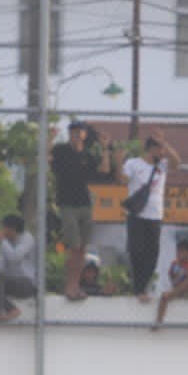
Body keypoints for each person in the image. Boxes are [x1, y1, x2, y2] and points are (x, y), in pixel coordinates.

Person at [55, 121, 117, 301]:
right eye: (73, 132)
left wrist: (105, 148)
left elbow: (104, 170)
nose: (76, 135)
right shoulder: (61, 151)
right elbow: (47, 161)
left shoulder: (88, 155)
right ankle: (70, 286)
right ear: (69, 134)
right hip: (67, 204)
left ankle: (76, 286)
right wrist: (49, 140)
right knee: (73, 246)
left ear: (83, 135)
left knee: (82, 249)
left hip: (85, 204)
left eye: (79, 132)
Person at [120, 131, 180, 302]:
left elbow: (178, 162)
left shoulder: (162, 165)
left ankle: (143, 288)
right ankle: (138, 289)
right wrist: (118, 161)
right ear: (151, 149)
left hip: (156, 215)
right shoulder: (134, 163)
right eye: (159, 148)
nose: (162, 152)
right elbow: (122, 180)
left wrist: (166, 144)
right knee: (136, 251)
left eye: (163, 149)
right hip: (137, 214)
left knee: (152, 253)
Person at [0, 214, 37, 324]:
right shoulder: (7, 241)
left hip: (26, 283)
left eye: (4, 228)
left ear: (12, 229)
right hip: (9, 281)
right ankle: (12, 309)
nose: (2, 230)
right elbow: (1, 263)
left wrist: (3, 241)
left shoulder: (27, 239)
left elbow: (14, 258)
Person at [153, 238, 188, 329]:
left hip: (187, 292)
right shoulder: (174, 263)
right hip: (177, 289)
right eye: (178, 251)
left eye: (182, 252)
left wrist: (185, 274)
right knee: (164, 297)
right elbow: (171, 277)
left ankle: (158, 321)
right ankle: (159, 320)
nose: (179, 254)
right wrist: (176, 278)